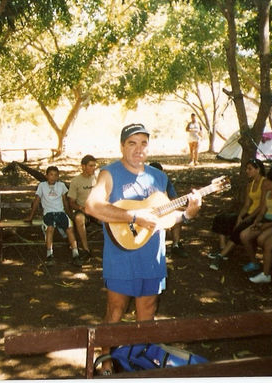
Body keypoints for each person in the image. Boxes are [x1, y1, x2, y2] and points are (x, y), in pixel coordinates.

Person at [85, 123, 202, 375]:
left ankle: (140, 362)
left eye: (143, 143)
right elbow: (92, 206)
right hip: (120, 257)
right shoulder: (109, 173)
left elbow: (165, 219)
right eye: (132, 143)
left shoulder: (159, 177)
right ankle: (105, 364)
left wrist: (187, 216)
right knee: (115, 311)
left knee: (148, 311)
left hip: (152, 258)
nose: (138, 149)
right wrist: (134, 217)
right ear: (122, 146)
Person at [209, 158, 266, 272]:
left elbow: (261, 206)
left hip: (259, 216)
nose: (247, 171)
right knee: (222, 218)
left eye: (250, 169)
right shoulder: (250, 185)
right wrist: (240, 216)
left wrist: (247, 218)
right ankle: (223, 248)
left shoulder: (264, 183)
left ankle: (221, 256)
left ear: (258, 169)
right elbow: (247, 204)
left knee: (239, 228)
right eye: (246, 169)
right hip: (249, 214)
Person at [26, 166, 82, 267]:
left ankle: (75, 254)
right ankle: (49, 255)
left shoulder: (61, 185)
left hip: (60, 213)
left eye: (56, 175)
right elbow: (36, 201)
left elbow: (65, 202)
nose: (53, 177)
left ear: (58, 177)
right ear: (47, 175)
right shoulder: (42, 186)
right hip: (49, 213)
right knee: (50, 228)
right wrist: (31, 216)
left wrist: (69, 214)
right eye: (51, 174)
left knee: (69, 229)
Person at [149, 162, 188, 258]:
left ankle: (175, 245)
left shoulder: (165, 181)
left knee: (177, 217)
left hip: (163, 210)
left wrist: (186, 209)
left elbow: (174, 200)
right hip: (147, 213)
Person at [67, 155, 98, 261]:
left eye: (95, 166)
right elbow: (71, 202)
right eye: (91, 166)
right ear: (83, 166)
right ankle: (86, 250)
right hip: (82, 210)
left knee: (110, 219)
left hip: (97, 210)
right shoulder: (76, 181)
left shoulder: (97, 178)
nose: (93, 168)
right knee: (79, 219)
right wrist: (81, 208)